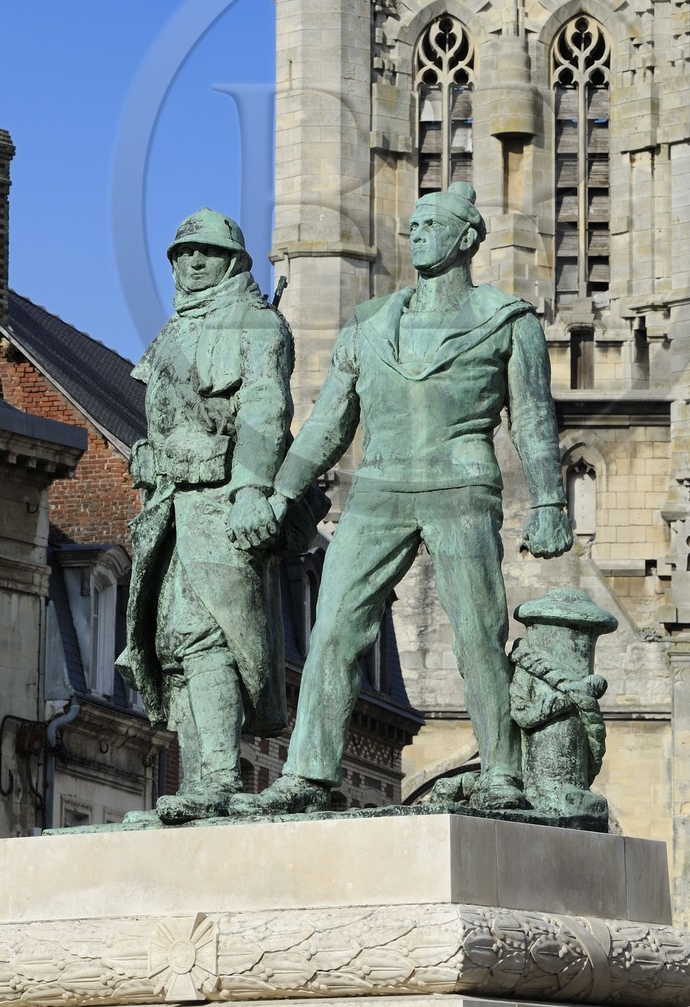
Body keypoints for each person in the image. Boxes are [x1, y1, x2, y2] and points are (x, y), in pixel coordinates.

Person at [230, 181, 572, 814]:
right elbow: (330, 421)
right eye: (412, 224)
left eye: (432, 223)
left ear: (467, 238)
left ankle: (502, 770)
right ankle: (309, 771)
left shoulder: (507, 320)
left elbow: (532, 421)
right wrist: (279, 491)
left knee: (478, 632)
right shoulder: (369, 322)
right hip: (379, 486)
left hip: (461, 482)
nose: (416, 233)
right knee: (333, 627)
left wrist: (549, 502)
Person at [118, 209, 298, 823]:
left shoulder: (258, 325)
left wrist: (250, 491)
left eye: (205, 253)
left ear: (232, 261)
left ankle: (219, 778)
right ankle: (197, 781)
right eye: (181, 253)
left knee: (209, 633)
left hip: (219, 505)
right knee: (171, 644)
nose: (191, 263)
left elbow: (266, 413)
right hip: (167, 506)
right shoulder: (171, 333)